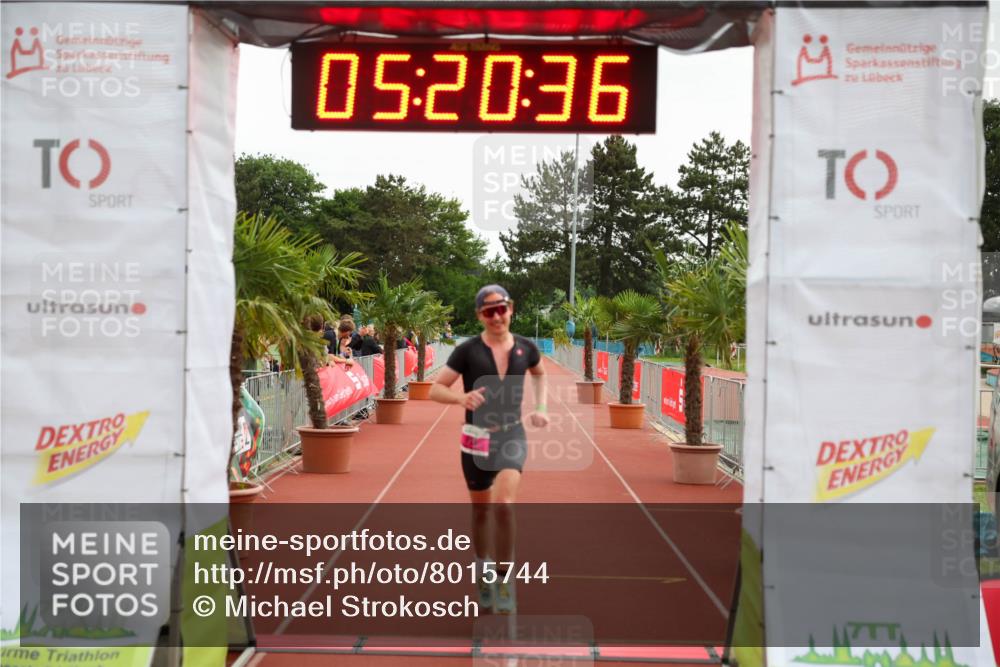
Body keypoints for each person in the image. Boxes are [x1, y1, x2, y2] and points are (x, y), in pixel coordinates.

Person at [429, 285, 548, 614]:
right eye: (488, 311)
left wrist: (541, 407)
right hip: (475, 438)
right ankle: (483, 573)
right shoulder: (467, 351)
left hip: (511, 434)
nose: (497, 316)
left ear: (511, 309)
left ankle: (504, 579)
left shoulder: (526, 348)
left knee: (505, 505)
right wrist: (460, 398)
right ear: (480, 315)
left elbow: (540, 375)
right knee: (481, 511)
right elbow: (436, 390)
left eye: (501, 309)